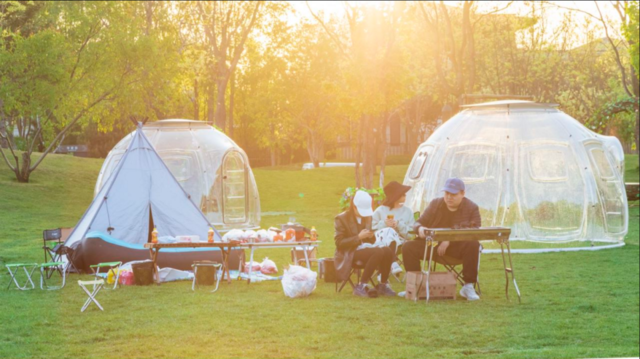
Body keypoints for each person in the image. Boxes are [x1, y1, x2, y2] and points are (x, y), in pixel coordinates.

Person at [402, 178, 482, 301]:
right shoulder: (436, 204)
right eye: (446, 193)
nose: (449, 197)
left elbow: (474, 228)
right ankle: (415, 285)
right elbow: (418, 222)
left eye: (453, 194)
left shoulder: (472, 207)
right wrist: (420, 228)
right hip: (433, 245)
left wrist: (449, 239)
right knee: (408, 247)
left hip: (457, 248)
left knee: (473, 244)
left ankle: (468, 286)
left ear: (462, 194)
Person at [334, 190, 396, 298]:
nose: (364, 215)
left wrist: (371, 237)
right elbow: (339, 243)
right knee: (378, 251)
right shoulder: (341, 218)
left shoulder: (367, 217)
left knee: (387, 250)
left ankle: (382, 283)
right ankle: (361, 285)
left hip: (365, 249)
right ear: (354, 207)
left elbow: (370, 241)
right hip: (349, 252)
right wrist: (358, 237)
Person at [372, 181, 414, 275]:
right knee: (388, 230)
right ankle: (392, 262)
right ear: (395, 196)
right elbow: (372, 230)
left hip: (401, 243)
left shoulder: (408, 212)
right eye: (402, 193)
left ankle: (390, 264)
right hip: (381, 242)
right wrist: (384, 224)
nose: (405, 195)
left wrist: (398, 225)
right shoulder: (380, 211)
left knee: (390, 231)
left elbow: (411, 234)